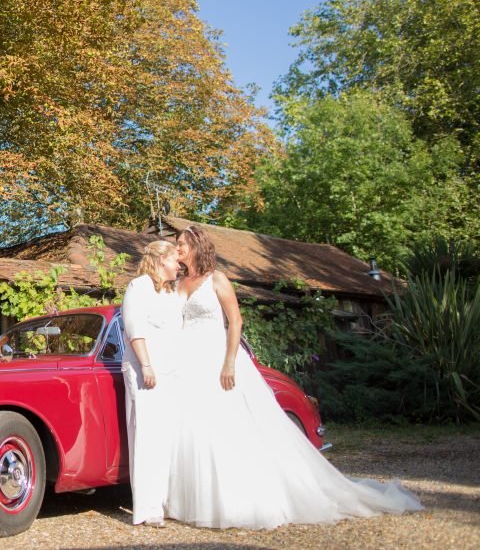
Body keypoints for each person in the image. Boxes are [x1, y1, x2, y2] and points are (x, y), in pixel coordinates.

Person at [167, 224, 423, 529]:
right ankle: (201, 499)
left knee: (234, 428)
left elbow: (235, 321)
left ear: (197, 246)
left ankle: (245, 498)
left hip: (218, 359)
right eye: (177, 244)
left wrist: (230, 363)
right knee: (198, 430)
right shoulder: (179, 284)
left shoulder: (216, 279)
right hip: (189, 365)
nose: (177, 248)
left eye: (182, 243)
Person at [121, 240, 183, 526]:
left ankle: (168, 501)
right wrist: (146, 364)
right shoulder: (139, 287)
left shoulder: (170, 292)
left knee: (166, 438)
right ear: (161, 260)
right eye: (175, 260)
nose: (179, 265)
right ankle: (147, 508)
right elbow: (135, 328)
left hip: (171, 372)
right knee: (145, 436)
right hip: (144, 372)